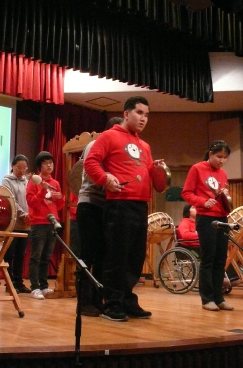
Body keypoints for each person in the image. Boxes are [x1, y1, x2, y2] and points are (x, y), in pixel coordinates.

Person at [84, 96, 163, 322]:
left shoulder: (144, 145)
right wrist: (106, 179)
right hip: (119, 204)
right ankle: (112, 304)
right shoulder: (109, 136)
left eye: (146, 115)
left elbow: (152, 178)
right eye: (139, 113)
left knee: (134, 258)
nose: (143, 118)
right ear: (126, 114)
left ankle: (127, 301)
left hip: (140, 205)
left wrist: (157, 170)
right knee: (116, 257)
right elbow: (90, 163)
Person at [76, 116, 123, 317]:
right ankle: (84, 302)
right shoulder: (96, 144)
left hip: (106, 207)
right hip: (89, 205)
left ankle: (97, 300)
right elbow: (90, 172)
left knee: (103, 257)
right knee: (87, 256)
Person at [181, 140, 233, 311]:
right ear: (210, 154)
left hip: (222, 218)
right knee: (208, 259)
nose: (222, 161)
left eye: (225, 158)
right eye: (219, 157)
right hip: (206, 218)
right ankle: (207, 298)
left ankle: (219, 298)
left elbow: (226, 199)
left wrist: (225, 196)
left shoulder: (223, 173)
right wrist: (203, 202)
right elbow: (186, 193)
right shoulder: (197, 168)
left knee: (220, 260)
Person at [26, 151, 65, 300]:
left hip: (53, 223)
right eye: (45, 163)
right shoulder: (34, 181)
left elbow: (59, 206)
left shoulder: (55, 183)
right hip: (38, 223)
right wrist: (43, 191)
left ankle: (43, 286)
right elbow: (31, 202)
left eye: (51, 163)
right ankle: (34, 287)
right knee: (36, 256)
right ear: (39, 166)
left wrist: (60, 198)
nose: (49, 165)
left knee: (46, 257)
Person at [2, 154, 31, 294]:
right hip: (12, 222)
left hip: (26, 223)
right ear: (12, 167)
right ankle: (9, 283)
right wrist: (22, 213)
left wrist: (29, 214)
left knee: (21, 254)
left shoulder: (28, 181)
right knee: (10, 254)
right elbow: (10, 200)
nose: (21, 170)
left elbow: (31, 199)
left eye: (24, 167)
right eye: (18, 167)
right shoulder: (6, 181)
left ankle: (19, 282)